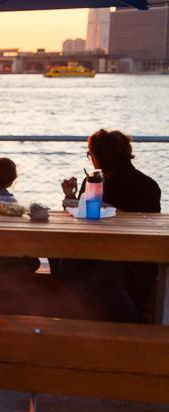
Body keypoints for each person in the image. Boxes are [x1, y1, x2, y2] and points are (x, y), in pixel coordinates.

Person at [55, 129, 162, 322]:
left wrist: (116, 212)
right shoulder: (93, 180)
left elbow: (150, 228)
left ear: (101, 156)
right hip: (97, 253)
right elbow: (79, 220)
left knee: (99, 278)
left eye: (91, 154)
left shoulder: (144, 186)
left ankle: (132, 324)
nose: (90, 159)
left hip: (131, 260)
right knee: (60, 259)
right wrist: (71, 197)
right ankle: (84, 318)